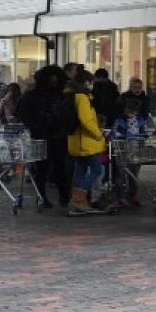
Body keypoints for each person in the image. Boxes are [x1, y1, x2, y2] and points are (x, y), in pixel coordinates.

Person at [17, 65, 67, 209]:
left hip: (56, 136)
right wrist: (37, 125)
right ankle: (43, 196)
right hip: (42, 136)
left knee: (57, 167)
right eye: (51, 78)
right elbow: (24, 114)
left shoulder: (61, 94)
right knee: (43, 168)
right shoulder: (34, 96)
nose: (54, 80)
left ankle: (61, 196)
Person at [64, 69, 107, 216]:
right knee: (96, 170)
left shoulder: (71, 95)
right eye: (91, 83)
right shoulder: (82, 97)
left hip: (76, 141)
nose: (92, 86)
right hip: (86, 142)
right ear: (86, 83)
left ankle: (75, 200)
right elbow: (86, 120)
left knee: (80, 170)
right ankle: (79, 199)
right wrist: (98, 135)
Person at [108, 92, 156, 207]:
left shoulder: (140, 120)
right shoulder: (120, 120)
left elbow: (145, 130)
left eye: (133, 112)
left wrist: (147, 134)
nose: (131, 114)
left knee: (133, 175)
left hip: (136, 151)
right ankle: (120, 196)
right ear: (124, 110)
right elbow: (115, 131)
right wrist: (118, 135)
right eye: (129, 111)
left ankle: (132, 195)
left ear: (138, 111)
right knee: (121, 175)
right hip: (122, 151)